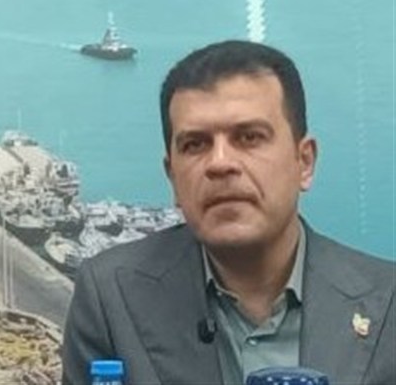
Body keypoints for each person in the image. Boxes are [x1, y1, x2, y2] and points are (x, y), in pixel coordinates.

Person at [62, 40, 394, 385]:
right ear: (172, 176)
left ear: (304, 162)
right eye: (195, 144)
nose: (220, 164)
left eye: (249, 137)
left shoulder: (388, 305)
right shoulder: (111, 296)